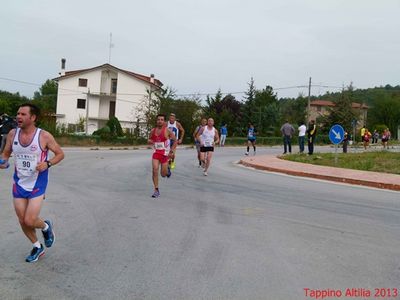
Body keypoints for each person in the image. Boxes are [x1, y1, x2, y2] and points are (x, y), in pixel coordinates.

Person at [0, 103, 65, 263]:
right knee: (22, 220)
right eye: (18, 114)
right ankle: (37, 246)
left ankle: (46, 227)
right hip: (19, 183)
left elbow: (60, 154)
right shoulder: (12, 134)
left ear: (33, 117)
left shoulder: (44, 136)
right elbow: (6, 152)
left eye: (23, 114)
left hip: (37, 183)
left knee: (30, 220)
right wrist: (3, 161)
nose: (18, 117)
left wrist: (47, 164)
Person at [148, 114, 177, 198]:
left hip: (165, 154)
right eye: (158, 119)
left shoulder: (167, 131)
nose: (160, 121)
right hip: (156, 153)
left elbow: (175, 140)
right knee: (155, 170)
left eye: (161, 119)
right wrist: (150, 141)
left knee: (163, 175)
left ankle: (168, 170)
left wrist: (171, 150)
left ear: (164, 121)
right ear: (156, 121)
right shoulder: (153, 130)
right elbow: (149, 139)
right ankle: (156, 190)